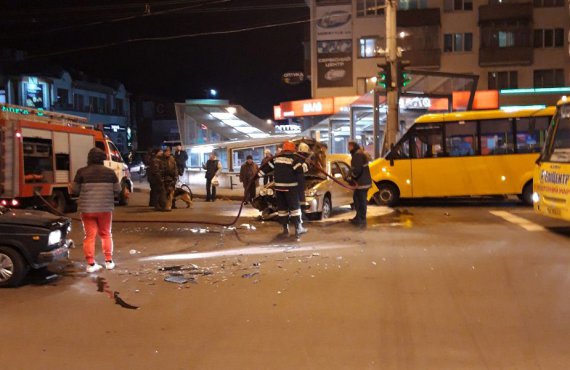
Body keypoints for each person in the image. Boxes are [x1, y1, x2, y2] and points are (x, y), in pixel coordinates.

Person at [71, 148, 121, 273]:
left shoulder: (81, 172)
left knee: (89, 236)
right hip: (105, 208)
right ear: (103, 158)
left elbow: (75, 191)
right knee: (105, 234)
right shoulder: (110, 173)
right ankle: (108, 261)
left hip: (87, 209)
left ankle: (90, 264)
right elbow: (118, 190)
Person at [259, 140, 308, 240]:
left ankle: (285, 229)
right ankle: (298, 228)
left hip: (279, 188)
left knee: (282, 210)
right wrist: (306, 164)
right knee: (295, 209)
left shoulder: (276, 158)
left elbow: (266, 168)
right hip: (291, 188)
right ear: (293, 149)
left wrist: (257, 175)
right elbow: (300, 172)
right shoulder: (294, 159)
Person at [347, 141, 372, 227]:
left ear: (353, 146)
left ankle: (361, 218)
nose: (348, 148)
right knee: (357, 199)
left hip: (361, 183)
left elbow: (357, 169)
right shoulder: (358, 154)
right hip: (362, 182)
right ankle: (359, 217)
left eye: (349, 146)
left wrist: (352, 177)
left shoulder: (357, 156)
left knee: (361, 201)